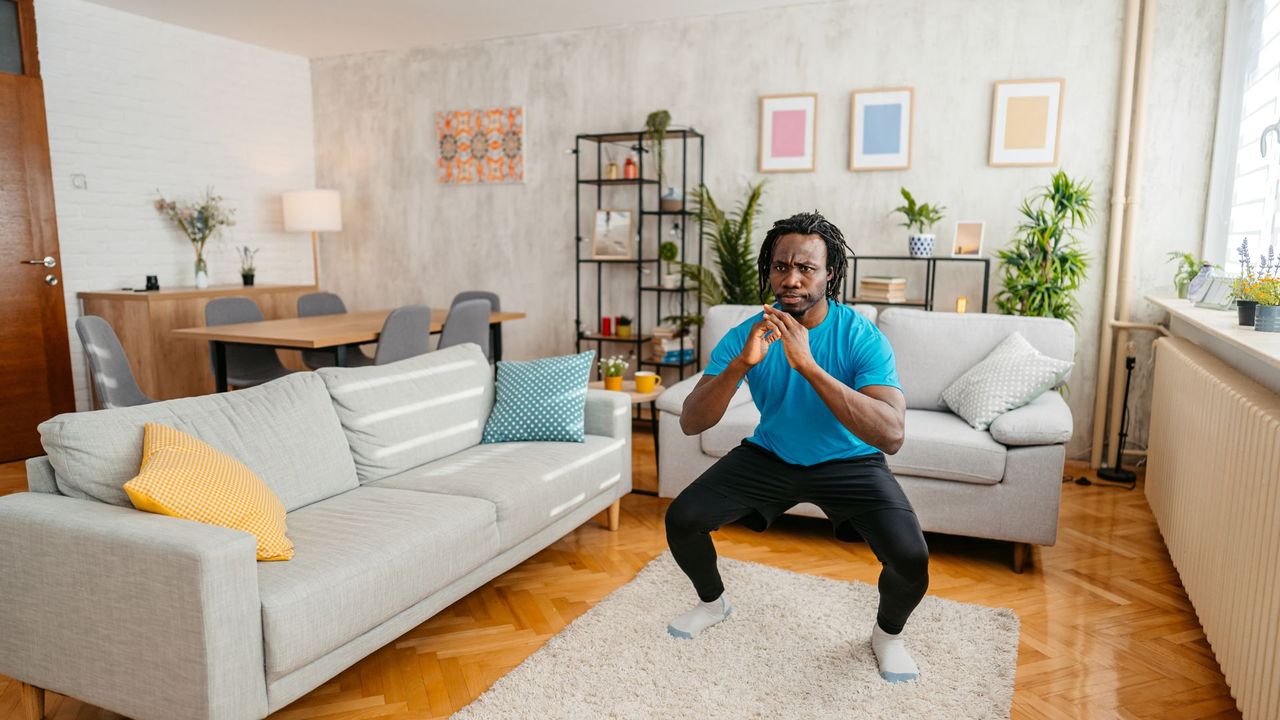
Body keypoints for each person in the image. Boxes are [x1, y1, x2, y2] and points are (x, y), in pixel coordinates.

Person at [664, 211, 929, 683]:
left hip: (851, 460)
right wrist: (740, 365)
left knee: (911, 558)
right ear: (768, 270)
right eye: (781, 266)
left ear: (830, 274)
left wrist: (807, 365)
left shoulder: (860, 336)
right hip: (773, 454)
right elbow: (691, 421)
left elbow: (891, 434)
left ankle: (887, 636)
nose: (792, 279)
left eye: (806, 268)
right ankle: (713, 603)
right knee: (683, 520)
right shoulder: (746, 334)